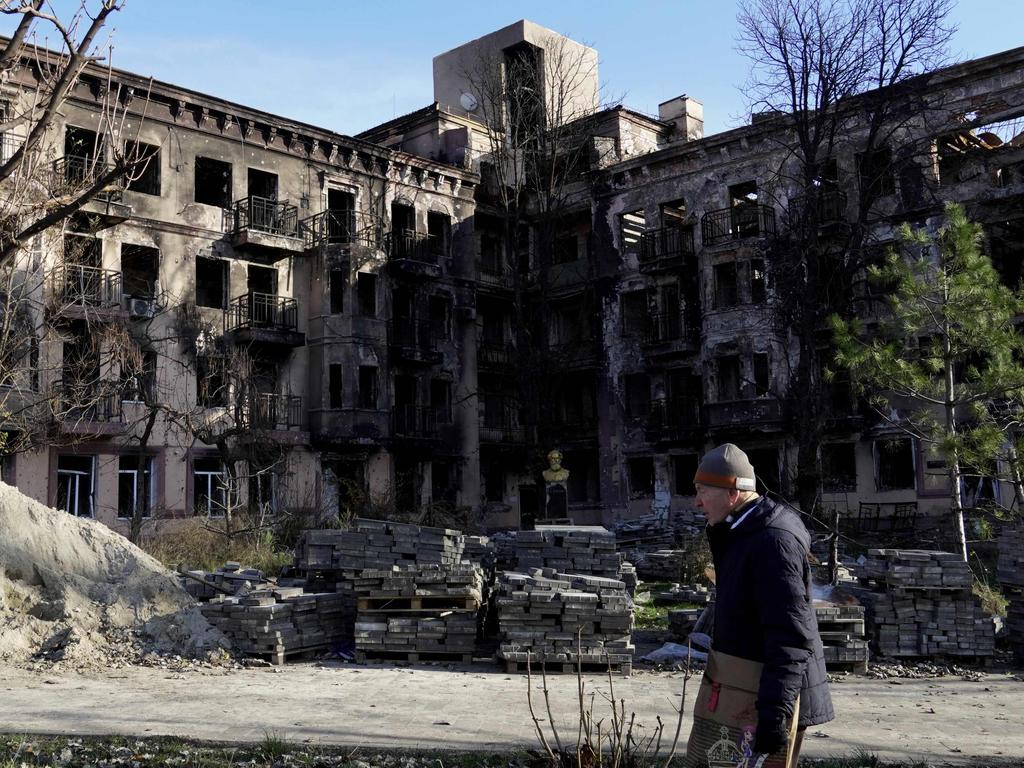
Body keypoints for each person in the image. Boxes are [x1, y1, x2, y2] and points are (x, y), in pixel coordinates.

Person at [692, 443, 833, 761]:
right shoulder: (742, 531)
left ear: (732, 492)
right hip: (746, 689)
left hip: (769, 699)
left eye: (703, 491)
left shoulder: (771, 541)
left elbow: (789, 634)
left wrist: (773, 713)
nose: (697, 502)